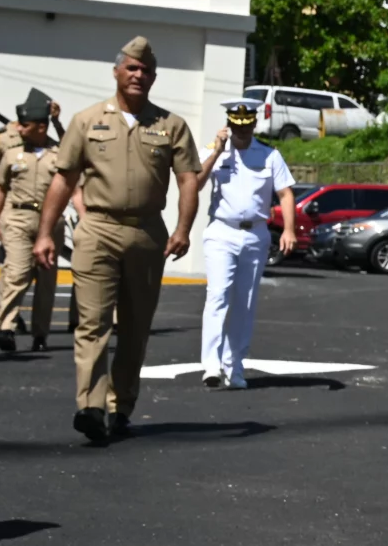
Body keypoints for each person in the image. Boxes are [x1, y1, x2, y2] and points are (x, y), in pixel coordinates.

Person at [34, 37, 202, 446]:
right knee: (92, 323)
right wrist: (45, 233)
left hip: (146, 233)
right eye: (131, 68)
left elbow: (187, 180)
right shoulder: (88, 120)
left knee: (135, 327)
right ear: (116, 72)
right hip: (97, 229)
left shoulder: (171, 125)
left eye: (145, 70)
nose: (138, 75)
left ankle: (119, 405)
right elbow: (64, 178)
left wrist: (183, 229)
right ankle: (90, 407)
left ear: (154, 77)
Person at [199, 98, 297, 388]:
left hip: (255, 233)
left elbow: (286, 194)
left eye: (247, 127)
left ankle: (235, 366)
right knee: (218, 296)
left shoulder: (269, 155)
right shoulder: (215, 152)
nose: (241, 132)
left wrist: (289, 229)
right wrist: (216, 151)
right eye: (236, 127)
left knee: (245, 301)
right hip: (221, 232)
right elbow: (196, 181)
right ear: (229, 125)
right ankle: (211, 366)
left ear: (254, 124)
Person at [0, 89, 65, 352]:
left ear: (41, 127)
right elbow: (1, 190)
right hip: (18, 218)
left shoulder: (59, 154)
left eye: (25, 125)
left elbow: (75, 165)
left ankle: (40, 334)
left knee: (46, 282)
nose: (17, 129)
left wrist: (57, 121)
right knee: (16, 272)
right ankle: (5, 327)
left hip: (50, 222)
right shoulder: (12, 154)